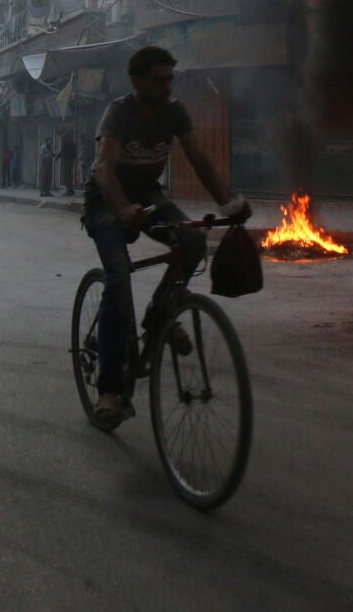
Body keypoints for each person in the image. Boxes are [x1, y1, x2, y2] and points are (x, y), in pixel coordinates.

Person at [83, 45, 249, 429]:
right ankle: (109, 388)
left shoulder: (174, 111)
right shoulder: (119, 112)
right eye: (158, 80)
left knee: (191, 242)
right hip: (105, 202)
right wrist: (123, 209)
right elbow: (104, 169)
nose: (166, 87)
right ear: (137, 82)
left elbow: (200, 161)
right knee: (118, 280)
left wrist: (229, 203)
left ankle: (159, 315)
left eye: (170, 79)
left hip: (147, 197)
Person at [58, 131, 78, 195]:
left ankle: (69, 190)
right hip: (68, 161)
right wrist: (57, 158)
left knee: (67, 176)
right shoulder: (69, 145)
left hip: (68, 161)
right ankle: (70, 190)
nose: (66, 140)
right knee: (68, 176)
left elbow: (62, 152)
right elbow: (61, 152)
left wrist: (57, 158)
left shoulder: (69, 145)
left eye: (66, 138)